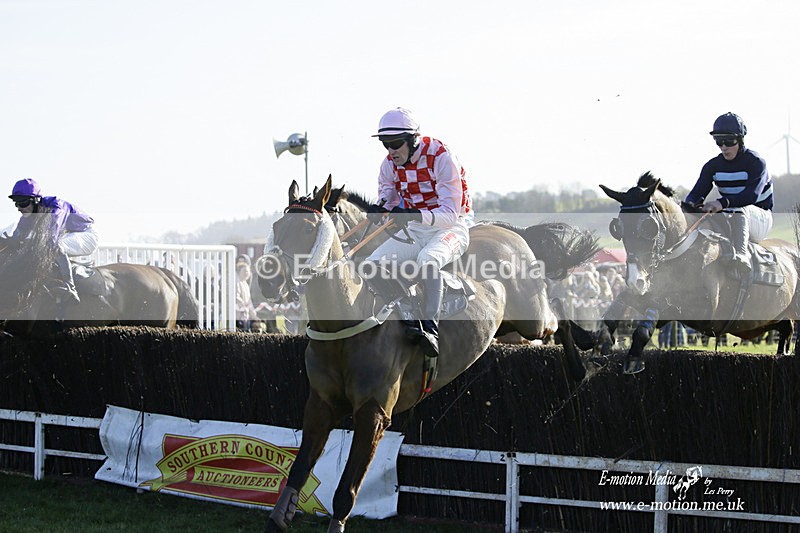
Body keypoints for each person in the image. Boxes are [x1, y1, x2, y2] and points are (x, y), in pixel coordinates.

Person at [365, 107, 473, 357]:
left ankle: (430, 328)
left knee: (428, 259)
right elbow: (388, 197)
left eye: (396, 143)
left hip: (452, 226)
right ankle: (408, 316)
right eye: (385, 144)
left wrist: (412, 214)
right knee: (372, 264)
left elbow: (449, 215)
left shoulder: (442, 157)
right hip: (417, 228)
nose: (391, 151)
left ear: (413, 139)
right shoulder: (389, 165)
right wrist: (379, 208)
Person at [684, 112, 773, 279]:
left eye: (729, 141)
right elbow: (697, 193)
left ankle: (741, 255)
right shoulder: (712, 166)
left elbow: (751, 196)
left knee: (739, 209)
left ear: (740, 140)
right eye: (719, 141)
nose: (724, 147)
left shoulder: (756, 162)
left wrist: (721, 202)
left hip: (759, 218)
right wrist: (688, 206)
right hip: (731, 215)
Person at [7, 178, 97, 303]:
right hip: (67, 235)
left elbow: (51, 238)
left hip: (85, 235)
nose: (19, 208)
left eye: (22, 203)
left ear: (36, 200)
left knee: (56, 246)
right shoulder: (28, 215)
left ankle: (70, 287)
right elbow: (17, 238)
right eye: (16, 203)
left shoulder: (56, 207)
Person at [235, 254, 259, 331]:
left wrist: (254, 314)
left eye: (248, 271)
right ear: (239, 271)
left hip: (245, 316)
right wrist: (244, 305)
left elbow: (249, 301)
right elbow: (236, 297)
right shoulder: (237, 282)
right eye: (245, 271)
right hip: (238, 316)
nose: (247, 273)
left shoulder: (245, 284)